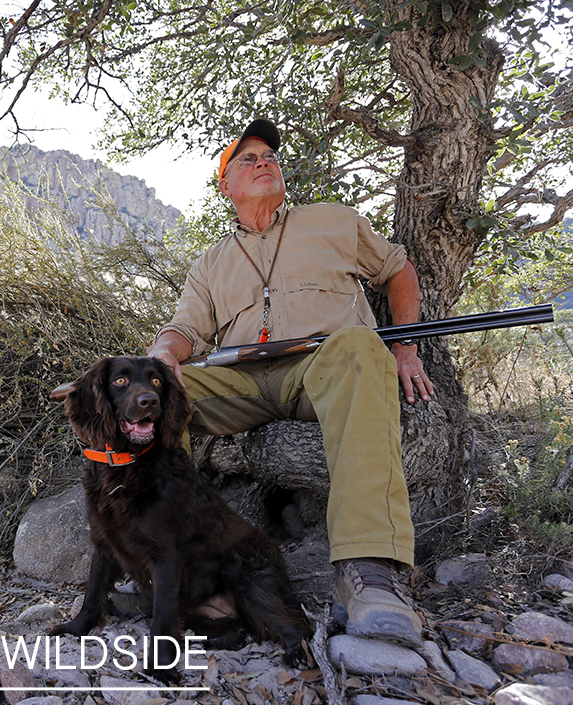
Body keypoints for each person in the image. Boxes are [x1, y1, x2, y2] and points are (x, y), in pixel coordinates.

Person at [148, 118, 432, 648]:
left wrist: (406, 348)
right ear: (225, 185)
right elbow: (185, 329)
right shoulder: (209, 265)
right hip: (239, 381)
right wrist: (163, 355)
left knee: (358, 345)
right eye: (247, 158)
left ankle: (369, 576)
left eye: (269, 156)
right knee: (149, 398)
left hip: (322, 368)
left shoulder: (335, 222)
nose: (263, 162)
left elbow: (397, 268)